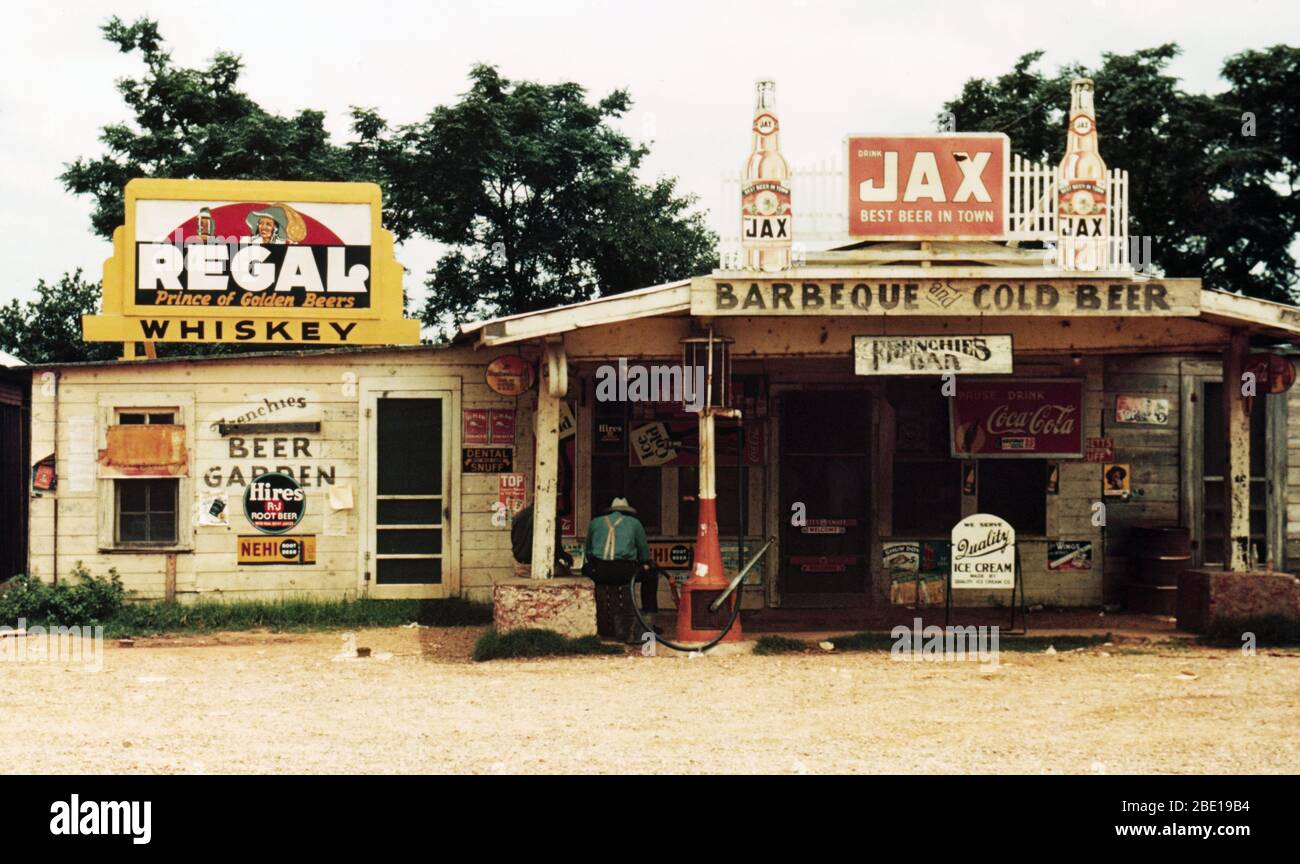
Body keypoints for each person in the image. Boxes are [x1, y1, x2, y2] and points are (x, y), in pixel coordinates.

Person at [584, 498, 660, 639]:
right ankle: (648, 620)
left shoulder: (595, 522)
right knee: (651, 575)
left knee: (585, 570)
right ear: (627, 512)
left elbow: (588, 551)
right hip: (624, 572)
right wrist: (644, 563)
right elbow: (644, 554)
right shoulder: (634, 523)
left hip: (599, 571)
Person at [510, 503, 572, 578]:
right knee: (568, 575)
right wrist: (566, 556)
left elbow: (515, 543)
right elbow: (556, 549)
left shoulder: (518, 517)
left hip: (520, 566)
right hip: (541, 566)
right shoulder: (552, 517)